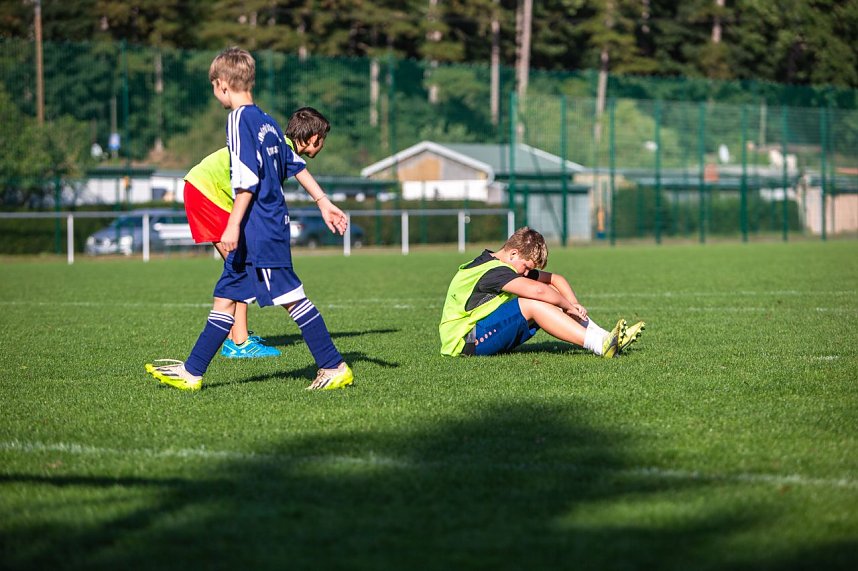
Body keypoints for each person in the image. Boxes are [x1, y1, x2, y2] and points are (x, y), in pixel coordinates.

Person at [145, 47, 353, 391]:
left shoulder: (239, 120)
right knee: (226, 296)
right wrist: (323, 201)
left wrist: (231, 225)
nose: (215, 93)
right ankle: (192, 372)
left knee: (292, 297)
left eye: (214, 87)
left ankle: (333, 365)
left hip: (261, 227)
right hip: (264, 224)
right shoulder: (268, 122)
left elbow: (245, 179)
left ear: (223, 85)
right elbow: (296, 166)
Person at [182, 107, 333, 359]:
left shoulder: (276, 142)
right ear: (313, 138)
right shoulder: (280, 147)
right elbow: (295, 175)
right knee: (241, 264)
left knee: (240, 264)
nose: (322, 145)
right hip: (207, 191)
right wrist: (323, 201)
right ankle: (239, 343)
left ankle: (236, 338)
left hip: (205, 188)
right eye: (322, 140)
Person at [439, 227, 645, 358]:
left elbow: (556, 279)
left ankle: (607, 338)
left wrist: (574, 304)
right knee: (532, 302)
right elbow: (538, 290)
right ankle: (600, 345)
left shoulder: (504, 264)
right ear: (513, 253)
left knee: (550, 292)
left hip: (480, 332)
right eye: (526, 266)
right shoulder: (494, 272)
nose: (528, 272)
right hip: (466, 342)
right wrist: (567, 306)